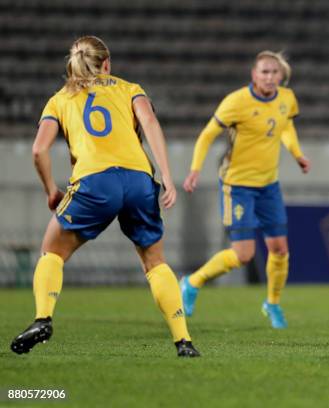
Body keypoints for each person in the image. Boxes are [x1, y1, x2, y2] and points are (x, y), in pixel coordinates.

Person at [10, 36, 199, 357]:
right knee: (155, 263)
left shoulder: (59, 99)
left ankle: (43, 318)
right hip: (139, 179)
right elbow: (150, 122)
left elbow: (39, 149)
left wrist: (51, 190)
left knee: (51, 253)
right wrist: (166, 175)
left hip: (94, 180)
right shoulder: (130, 88)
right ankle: (184, 341)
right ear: (107, 63)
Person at [181, 50, 310, 329]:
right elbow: (206, 135)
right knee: (243, 254)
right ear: (254, 74)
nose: (269, 77)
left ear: (281, 75)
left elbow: (285, 127)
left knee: (279, 250)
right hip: (237, 186)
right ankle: (191, 283)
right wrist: (194, 170)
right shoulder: (236, 101)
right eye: (264, 72)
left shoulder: (287, 99)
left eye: (274, 72)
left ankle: (272, 304)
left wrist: (297, 154)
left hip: (268, 185)